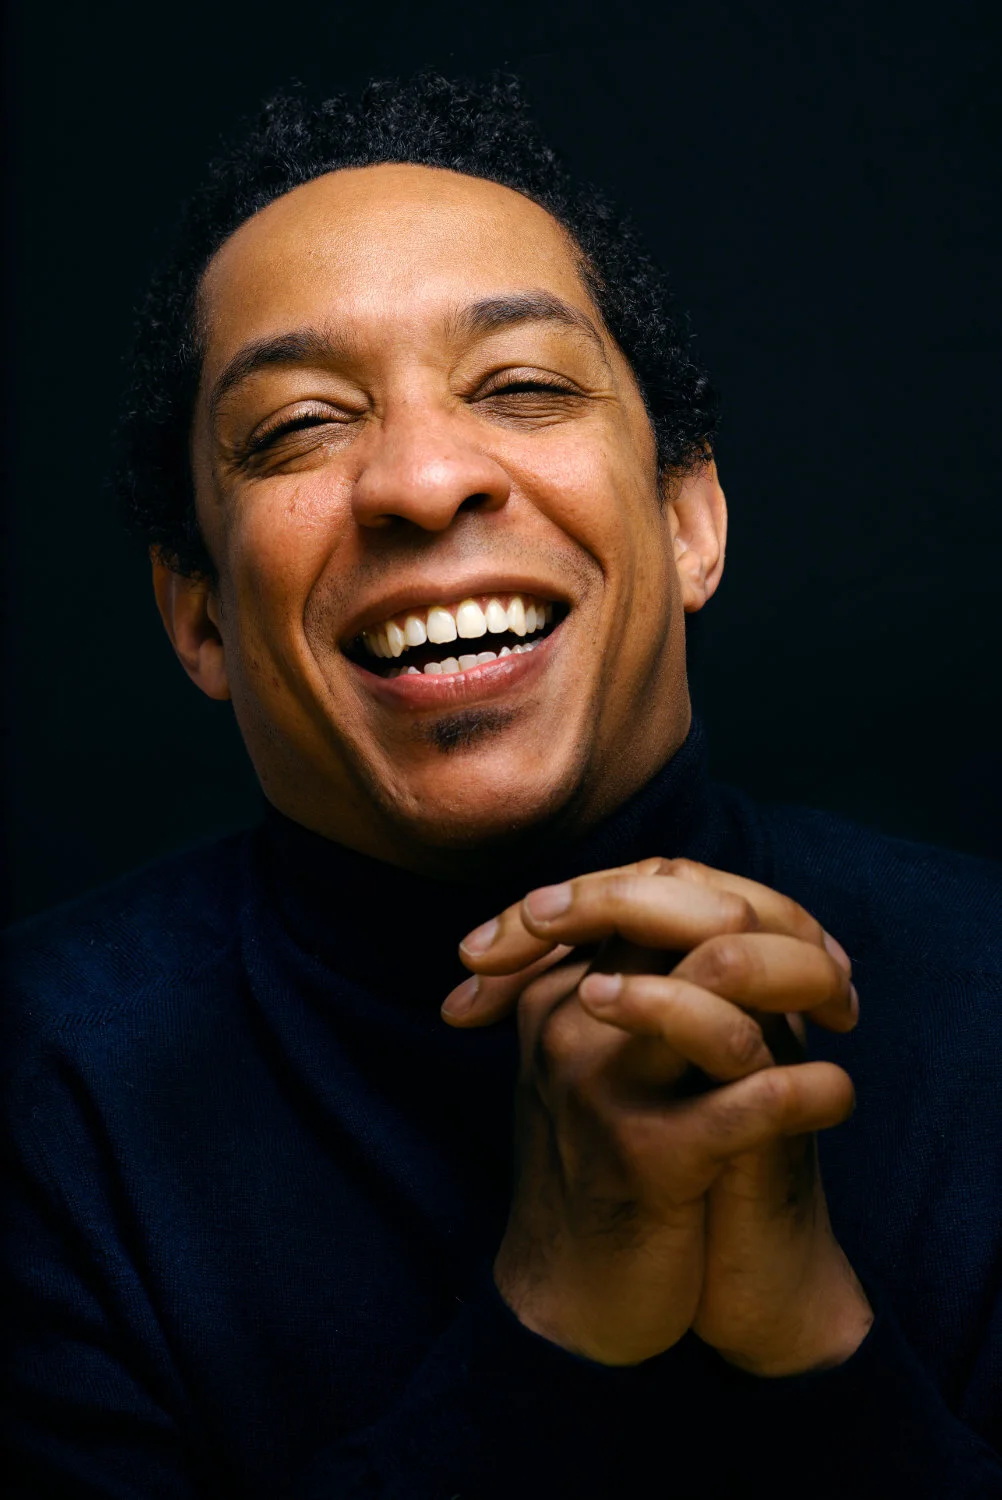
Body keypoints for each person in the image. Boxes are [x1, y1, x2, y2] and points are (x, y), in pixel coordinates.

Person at [3, 74, 1000, 1499]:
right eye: (298, 428)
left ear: (687, 514)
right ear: (200, 617)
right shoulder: (41, 1097)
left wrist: (813, 1348)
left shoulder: (988, 997)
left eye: (522, 387)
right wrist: (550, 1329)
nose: (419, 479)